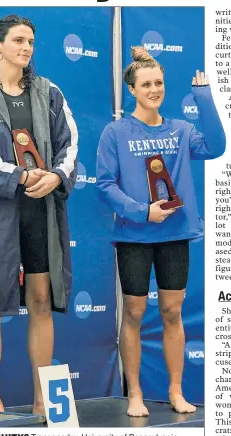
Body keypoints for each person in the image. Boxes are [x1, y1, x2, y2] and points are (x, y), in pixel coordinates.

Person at [0, 14, 78, 418]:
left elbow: (69, 145)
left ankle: (43, 402)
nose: (27, 48)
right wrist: (21, 176)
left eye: (31, 42)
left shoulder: (49, 91)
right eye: (18, 40)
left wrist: (56, 177)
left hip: (40, 211)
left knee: (40, 300)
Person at [96, 46, 225, 417]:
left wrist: (203, 96)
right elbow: (105, 185)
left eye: (159, 83)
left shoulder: (182, 131)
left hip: (175, 234)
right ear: (132, 90)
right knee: (134, 313)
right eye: (146, 84)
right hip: (135, 235)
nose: (154, 89)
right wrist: (141, 212)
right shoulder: (115, 132)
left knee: (172, 311)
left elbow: (216, 147)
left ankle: (175, 390)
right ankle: (134, 392)